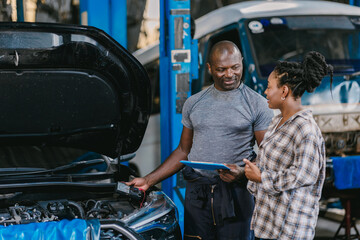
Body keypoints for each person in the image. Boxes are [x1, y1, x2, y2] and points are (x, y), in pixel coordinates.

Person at [127, 40, 273, 240]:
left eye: (235, 67)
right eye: (222, 69)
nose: (230, 74)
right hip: (198, 196)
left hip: (236, 195)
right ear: (210, 68)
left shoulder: (257, 104)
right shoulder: (194, 103)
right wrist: (147, 180)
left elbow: (268, 155)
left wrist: (241, 173)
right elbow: (183, 151)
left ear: (242, 63)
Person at [243, 51, 333, 239]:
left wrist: (261, 177)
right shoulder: (277, 123)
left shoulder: (305, 129)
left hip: (290, 229)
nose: (265, 92)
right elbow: (268, 165)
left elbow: (302, 175)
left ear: (284, 91)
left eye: (269, 87)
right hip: (269, 225)